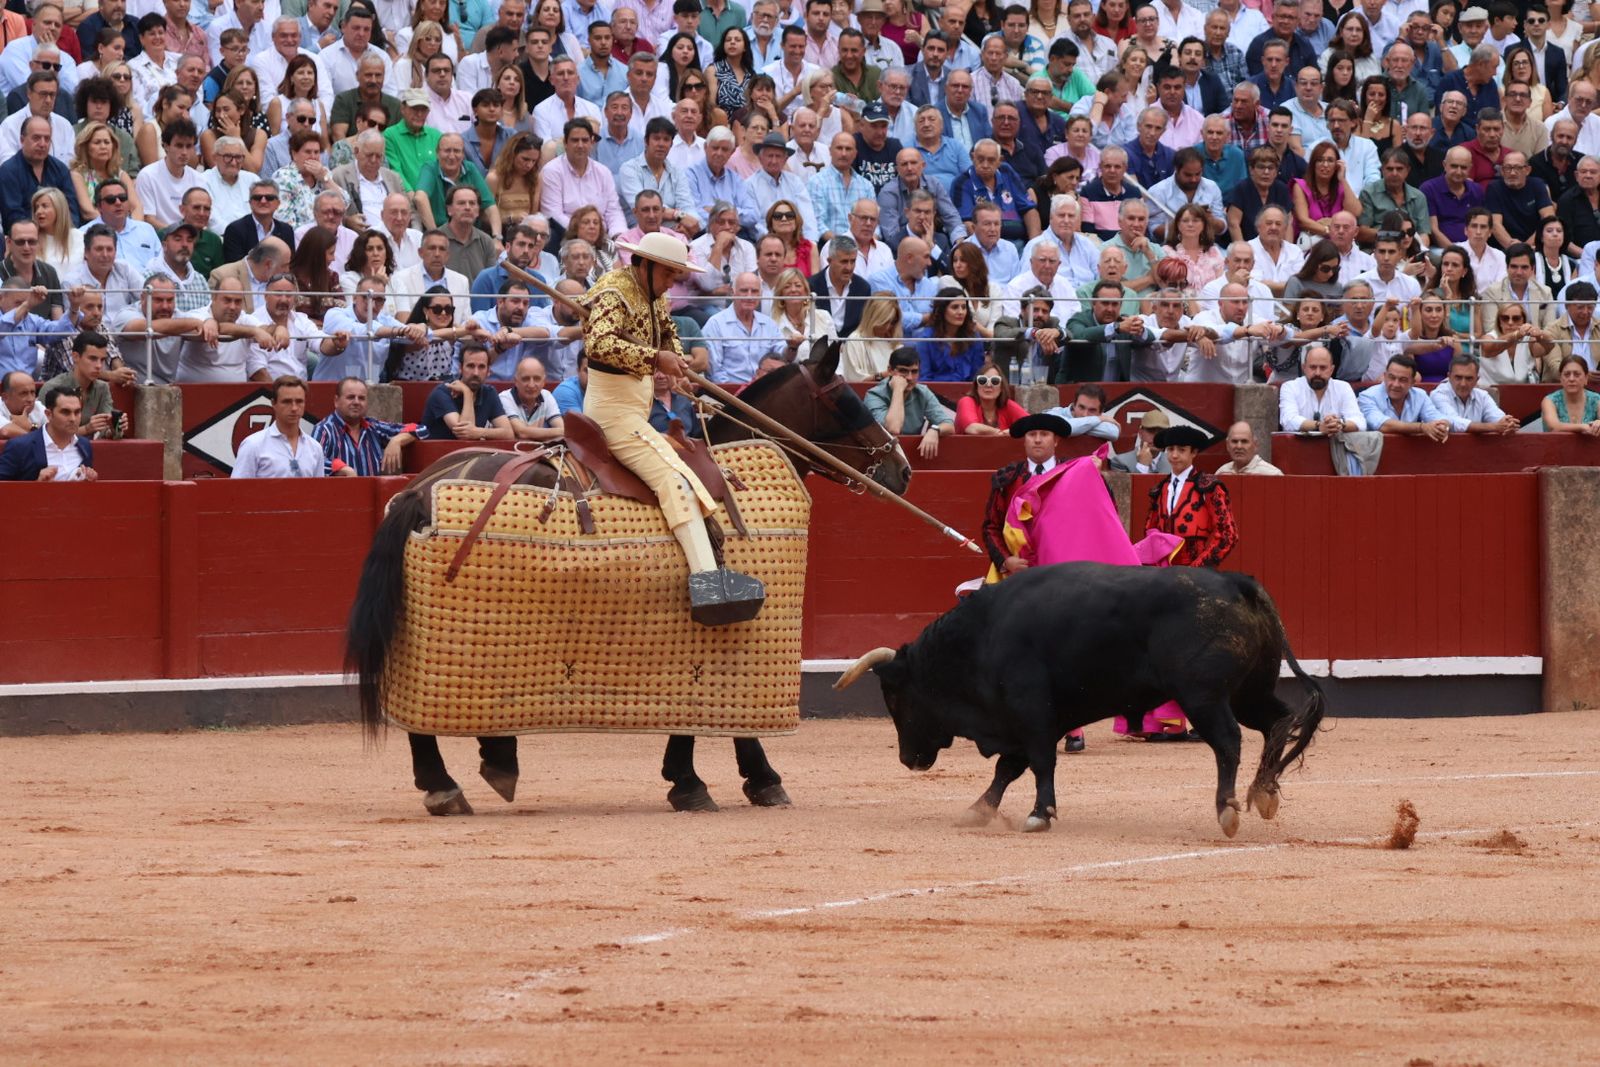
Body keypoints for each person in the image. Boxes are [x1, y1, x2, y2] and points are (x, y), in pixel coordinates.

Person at [580, 230, 765, 624]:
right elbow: (599, 345)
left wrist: (677, 364)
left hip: (634, 410)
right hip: (612, 414)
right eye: (668, 275)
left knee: (679, 471)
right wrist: (655, 359)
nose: (672, 284)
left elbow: (669, 333)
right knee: (674, 479)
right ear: (644, 266)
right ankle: (706, 582)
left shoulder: (653, 294)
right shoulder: (612, 293)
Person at [310, 376, 422, 475]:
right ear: (336, 401)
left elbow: (421, 429)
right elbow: (313, 461)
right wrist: (341, 468)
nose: (356, 402)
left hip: (375, 496)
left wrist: (397, 441)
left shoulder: (373, 426)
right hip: (339, 496)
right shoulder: (324, 429)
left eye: (361, 398)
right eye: (350, 397)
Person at [863, 344, 954, 457]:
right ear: (890, 370)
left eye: (914, 371)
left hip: (912, 454)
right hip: (881, 456)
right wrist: (898, 390)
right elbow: (893, 429)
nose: (910, 378)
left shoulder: (922, 392)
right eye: (903, 371)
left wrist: (935, 430)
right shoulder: (874, 395)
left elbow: (949, 425)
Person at [0, 384, 95, 481]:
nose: (73, 418)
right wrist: (37, 485)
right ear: (49, 414)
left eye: (77, 412)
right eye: (65, 412)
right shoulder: (19, 446)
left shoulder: (84, 445)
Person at [1358, 354, 1452, 440]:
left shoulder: (1420, 395)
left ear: (1412, 383)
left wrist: (1442, 426)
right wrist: (1421, 427)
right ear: (1385, 376)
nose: (1396, 384)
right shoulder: (1367, 396)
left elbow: (1436, 417)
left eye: (1403, 380)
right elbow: (1383, 425)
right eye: (1392, 377)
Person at [1277, 344, 1364, 433]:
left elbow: (1360, 422)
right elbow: (1288, 420)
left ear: (1332, 369)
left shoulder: (1343, 387)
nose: (1317, 373)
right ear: (1304, 368)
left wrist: (1339, 424)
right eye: (1313, 367)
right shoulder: (1290, 387)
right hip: (1300, 445)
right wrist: (1318, 425)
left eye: (1323, 368)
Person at [1430, 353, 1519, 433]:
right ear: (1449, 377)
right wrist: (1493, 427)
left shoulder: (1482, 396)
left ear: (1477, 379)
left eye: (1469, 378)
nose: (1463, 384)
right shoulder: (1438, 394)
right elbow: (1453, 422)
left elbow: (1498, 418)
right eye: (1458, 377)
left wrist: (1508, 423)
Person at [1540, 353, 1600, 434]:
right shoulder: (1549, 400)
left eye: (1577, 374)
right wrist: (1584, 427)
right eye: (1567, 374)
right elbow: (1554, 427)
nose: (1571, 379)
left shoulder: (1597, 399)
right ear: (1560, 378)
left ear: (1586, 378)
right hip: (1555, 446)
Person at [1214, 420, 1282, 475]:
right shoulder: (1221, 473)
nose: (1239, 446)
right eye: (1234, 441)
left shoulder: (1272, 474)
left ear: (1255, 445)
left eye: (1244, 441)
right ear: (1227, 445)